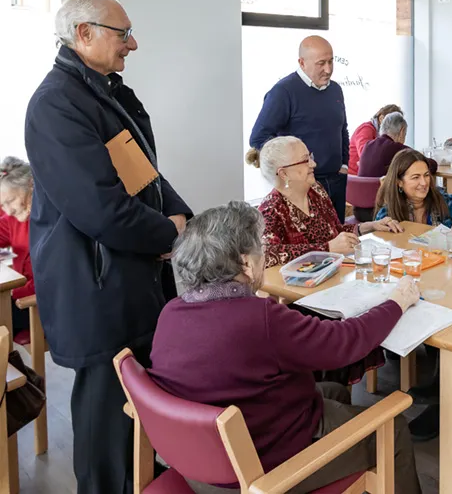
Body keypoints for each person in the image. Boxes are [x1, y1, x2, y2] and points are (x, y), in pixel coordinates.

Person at [24, 0, 193, 494]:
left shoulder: (103, 91)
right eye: (123, 34)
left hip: (126, 278)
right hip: (94, 285)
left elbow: (143, 175)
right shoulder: (57, 104)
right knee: (105, 412)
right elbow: (99, 206)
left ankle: (139, 476)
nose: (133, 44)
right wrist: (169, 234)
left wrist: (178, 210)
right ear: (84, 34)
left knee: (135, 402)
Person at [149, 201, 422, 494]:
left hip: (197, 463)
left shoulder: (170, 314)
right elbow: (345, 343)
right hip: (258, 471)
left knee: (333, 391)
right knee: (393, 428)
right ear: (246, 263)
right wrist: (396, 303)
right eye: (260, 250)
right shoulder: (259, 318)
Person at [258, 136, 402, 268]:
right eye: (305, 160)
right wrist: (327, 249)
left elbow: (335, 232)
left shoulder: (316, 191)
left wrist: (371, 226)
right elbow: (268, 255)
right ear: (283, 173)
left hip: (334, 274)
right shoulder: (270, 209)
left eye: (311, 157)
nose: (313, 164)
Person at [248, 36, 350, 222]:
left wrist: (344, 165)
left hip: (336, 180)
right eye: (321, 63)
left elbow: (342, 128)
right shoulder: (283, 92)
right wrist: (289, 172)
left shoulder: (335, 89)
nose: (328, 69)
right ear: (302, 63)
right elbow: (259, 138)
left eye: (330, 61)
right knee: (315, 245)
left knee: (340, 238)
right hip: (302, 184)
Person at [374, 149, 452, 227]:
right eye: (416, 177)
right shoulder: (387, 214)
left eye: (426, 175)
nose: (424, 183)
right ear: (399, 182)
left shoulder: (446, 201)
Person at [0, 157, 35, 336]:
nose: (8, 210)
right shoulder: (14, 218)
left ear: (31, 185)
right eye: (2, 205)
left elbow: (50, 279)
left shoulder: (49, 220)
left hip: (37, 303)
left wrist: (12, 292)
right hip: (19, 294)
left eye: (11, 201)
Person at [358, 112, 438, 177]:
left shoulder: (368, 145)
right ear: (402, 132)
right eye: (405, 134)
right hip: (384, 195)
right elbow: (432, 165)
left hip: (362, 195)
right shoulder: (396, 148)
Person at [348, 104, 403, 174]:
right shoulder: (366, 129)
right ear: (381, 118)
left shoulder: (380, 134)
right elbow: (365, 154)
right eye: (394, 123)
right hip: (354, 175)